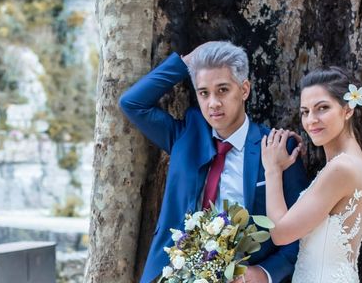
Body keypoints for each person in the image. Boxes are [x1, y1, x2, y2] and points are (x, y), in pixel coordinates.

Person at [119, 41, 309, 283]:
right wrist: (185, 63)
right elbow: (132, 104)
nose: (213, 103)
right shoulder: (186, 135)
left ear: (244, 90)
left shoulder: (277, 147)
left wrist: (262, 274)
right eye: (204, 93)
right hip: (173, 275)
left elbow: (299, 231)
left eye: (222, 90)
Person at [261, 66, 362, 283]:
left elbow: (280, 233)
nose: (311, 120)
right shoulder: (354, 164)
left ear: (348, 109)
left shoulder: (341, 168)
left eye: (322, 108)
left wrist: (272, 170)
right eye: (305, 111)